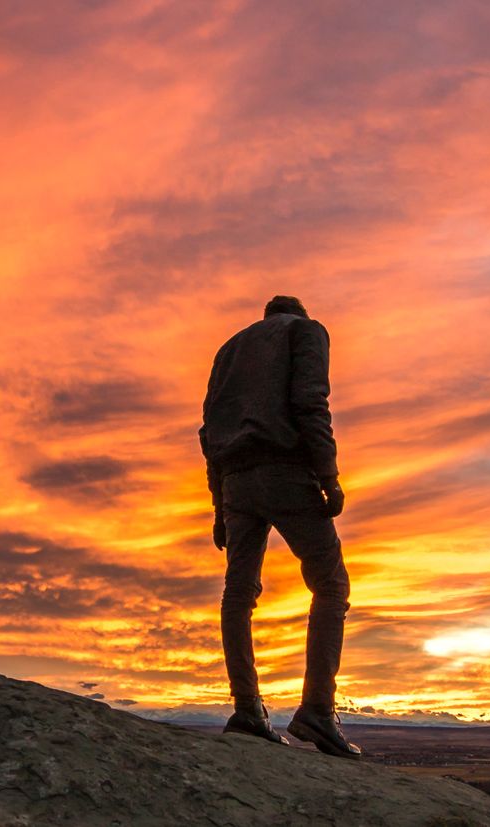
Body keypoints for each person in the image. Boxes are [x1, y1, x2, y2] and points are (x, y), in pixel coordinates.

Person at [198, 295, 361, 759]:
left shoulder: (228, 349)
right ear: (298, 313)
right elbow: (312, 402)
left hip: (234, 482)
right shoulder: (305, 331)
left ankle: (248, 708)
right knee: (331, 585)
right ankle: (317, 710)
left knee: (238, 591)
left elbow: (208, 431)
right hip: (285, 470)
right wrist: (328, 477)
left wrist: (217, 506)